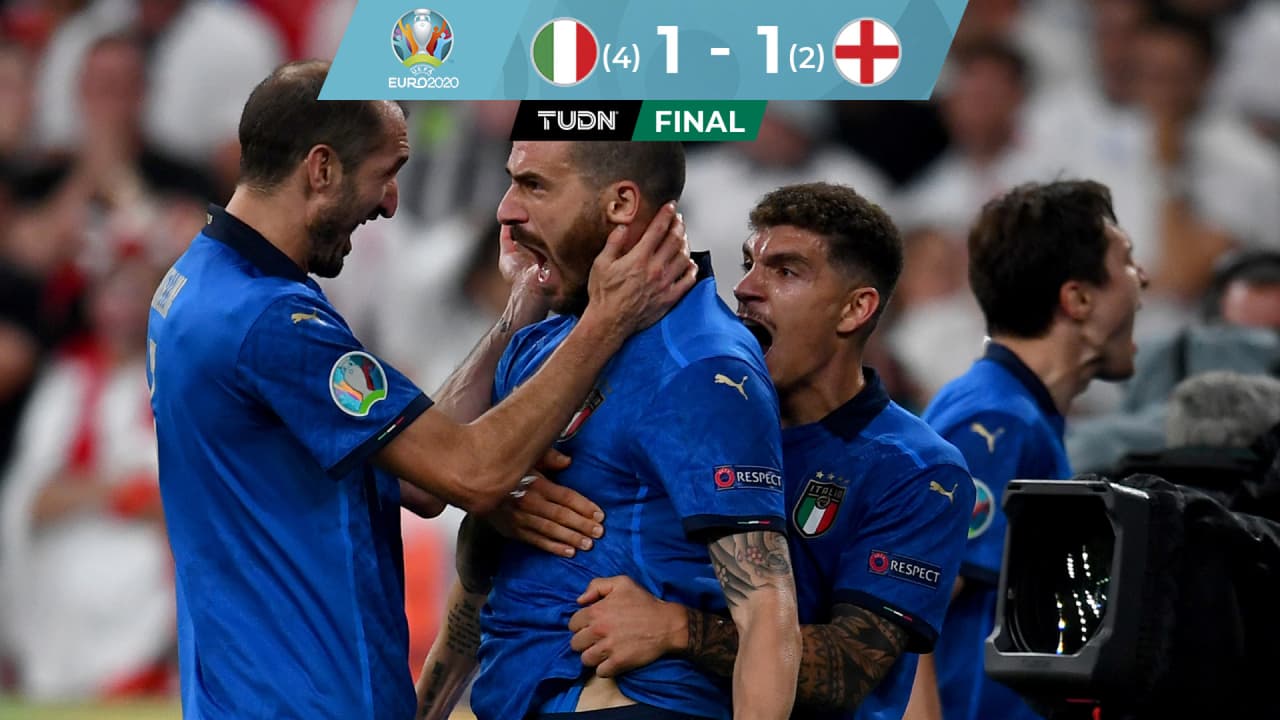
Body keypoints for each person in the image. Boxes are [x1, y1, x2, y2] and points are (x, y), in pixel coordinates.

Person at [145, 61, 696, 720]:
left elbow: (423, 479)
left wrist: (519, 309)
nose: (389, 203)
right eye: (387, 172)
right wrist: (607, 319)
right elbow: (471, 473)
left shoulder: (199, 284)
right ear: (321, 169)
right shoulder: (270, 322)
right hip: (306, 701)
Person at [415, 141, 802, 720]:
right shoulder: (541, 343)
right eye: (512, 181)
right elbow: (468, 548)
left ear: (621, 203)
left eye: (534, 186)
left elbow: (766, 606)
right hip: (511, 694)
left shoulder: (702, 363)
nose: (506, 210)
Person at [558, 182, 975, 720]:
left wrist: (677, 629)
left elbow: (850, 665)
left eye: (786, 271)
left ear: (855, 309)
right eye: (749, 263)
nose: (746, 288)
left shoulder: (919, 471)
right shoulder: (703, 418)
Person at [904, 180, 1148, 720]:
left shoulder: (1013, 411)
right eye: (1128, 262)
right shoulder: (996, 422)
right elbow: (905, 606)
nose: (1144, 278)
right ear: (1077, 299)